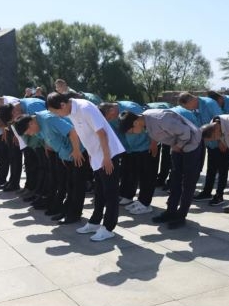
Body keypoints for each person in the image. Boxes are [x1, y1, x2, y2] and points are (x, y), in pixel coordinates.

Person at [46, 92, 125, 242]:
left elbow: (102, 133)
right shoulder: (71, 111)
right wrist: (90, 153)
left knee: (110, 192)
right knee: (99, 191)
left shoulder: (85, 108)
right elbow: (83, 133)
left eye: (56, 112)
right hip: (96, 155)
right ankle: (95, 222)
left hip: (108, 154)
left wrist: (107, 157)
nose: (57, 115)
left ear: (62, 105)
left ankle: (108, 228)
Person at [119, 108, 202, 230]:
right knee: (175, 180)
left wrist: (178, 146)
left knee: (188, 182)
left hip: (192, 144)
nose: (132, 134)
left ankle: (181, 215)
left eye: (130, 131)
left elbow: (185, 132)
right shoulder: (145, 121)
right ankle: (170, 211)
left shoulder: (160, 119)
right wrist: (176, 146)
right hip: (177, 146)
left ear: (135, 122)